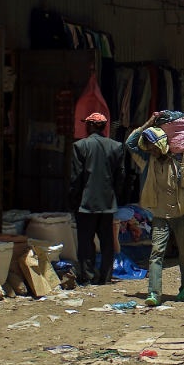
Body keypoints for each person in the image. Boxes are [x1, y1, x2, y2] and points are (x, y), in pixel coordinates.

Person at [126, 114, 184, 306]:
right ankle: (154, 293)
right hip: (159, 215)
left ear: (162, 144)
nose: (151, 149)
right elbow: (131, 143)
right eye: (149, 146)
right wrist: (148, 123)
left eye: (154, 145)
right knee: (156, 253)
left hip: (181, 213)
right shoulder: (147, 161)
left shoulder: (178, 160)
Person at [69, 112, 125, 285]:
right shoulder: (116, 146)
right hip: (108, 202)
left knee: (86, 241)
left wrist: (73, 201)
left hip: (86, 203)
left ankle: (88, 276)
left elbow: (76, 178)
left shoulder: (80, 146)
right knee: (107, 241)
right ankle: (105, 276)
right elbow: (120, 176)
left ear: (90, 126)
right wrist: (115, 197)